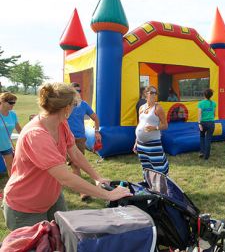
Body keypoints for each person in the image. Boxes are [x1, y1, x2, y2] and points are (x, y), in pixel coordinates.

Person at [3, 82, 131, 230]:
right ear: (67, 108)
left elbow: (75, 153)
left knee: (61, 240)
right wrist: (108, 195)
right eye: (75, 104)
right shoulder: (37, 135)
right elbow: (66, 177)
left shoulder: (61, 124)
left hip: (52, 198)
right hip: (25, 206)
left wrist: (97, 177)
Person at [67, 82, 101, 201]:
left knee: (76, 164)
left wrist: (96, 132)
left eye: (79, 90)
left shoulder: (84, 105)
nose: (77, 92)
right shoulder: (64, 105)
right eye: (74, 90)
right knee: (70, 164)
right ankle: (81, 190)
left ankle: (81, 189)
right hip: (64, 139)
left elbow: (95, 118)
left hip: (80, 138)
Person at [133, 86, 169, 175]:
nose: (154, 95)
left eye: (155, 93)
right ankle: (149, 185)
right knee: (146, 167)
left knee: (159, 168)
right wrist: (136, 142)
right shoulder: (141, 107)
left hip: (153, 144)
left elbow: (165, 125)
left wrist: (155, 128)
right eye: (152, 92)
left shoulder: (158, 108)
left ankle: (162, 186)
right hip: (141, 144)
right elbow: (140, 124)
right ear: (146, 94)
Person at [0, 93, 22, 176]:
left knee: (11, 167)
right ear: (2, 101)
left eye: (14, 103)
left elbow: (18, 128)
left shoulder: (13, 114)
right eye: (11, 103)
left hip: (6, 145)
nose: (13, 105)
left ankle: (11, 187)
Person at [197, 88, 216, 160]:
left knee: (202, 137)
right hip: (211, 123)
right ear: (211, 95)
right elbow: (214, 114)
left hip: (203, 123)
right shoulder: (213, 103)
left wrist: (199, 123)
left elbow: (199, 114)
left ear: (204, 95)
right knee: (208, 139)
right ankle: (206, 156)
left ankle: (202, 152)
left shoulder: (201, 103)